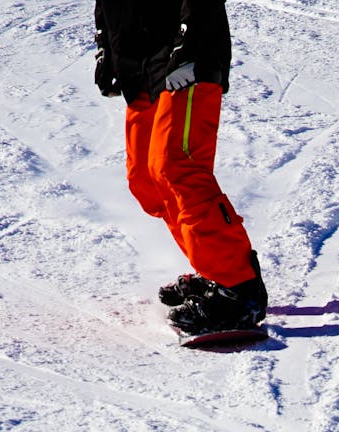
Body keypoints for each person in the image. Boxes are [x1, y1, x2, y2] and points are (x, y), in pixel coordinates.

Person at [94, 0, 267, 334]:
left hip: (185, 60)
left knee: (178, 169)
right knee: (145, 180)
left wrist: (194, 46)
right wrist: (107, 51)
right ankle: (215, 271)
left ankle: (238, 286)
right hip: (139, 68)